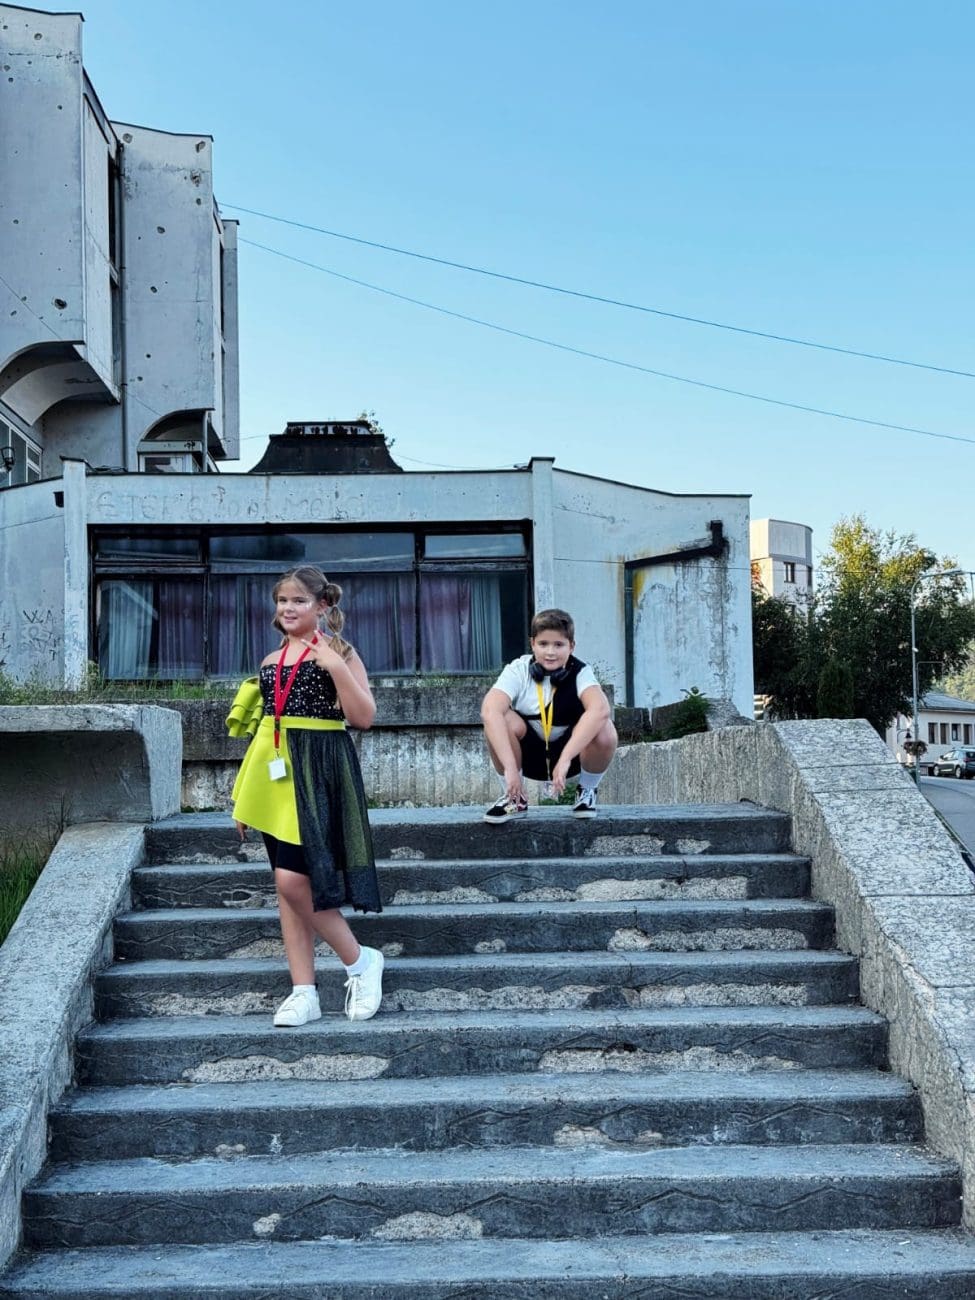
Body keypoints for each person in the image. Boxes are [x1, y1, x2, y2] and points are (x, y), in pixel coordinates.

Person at [230, 565, 384, 1027]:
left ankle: (360, 961)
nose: (288, 608)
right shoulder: (269, 661)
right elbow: (264, 730)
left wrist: (335, 668)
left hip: (319, 772)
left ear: (322, 605)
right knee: (286, 887)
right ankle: (303, 992)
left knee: (293, 881)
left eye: (299, 600)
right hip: (274, 777)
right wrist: (244, 794)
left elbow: (364, 717)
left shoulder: (341, 653)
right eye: (282, 600)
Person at [480, 607, 617, 822]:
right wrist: (509, 770)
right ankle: (513, 797)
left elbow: (600, 709)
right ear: (532, 643)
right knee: (500, 717)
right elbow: (489, 710)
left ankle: (586, 791)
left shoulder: (581, 672)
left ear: (571, 646)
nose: (550, 652)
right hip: (528, 756)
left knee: (604, 726)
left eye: (559, 645)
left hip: (570, 756)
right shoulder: (518, 669)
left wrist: (565, 759)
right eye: (543, 644)